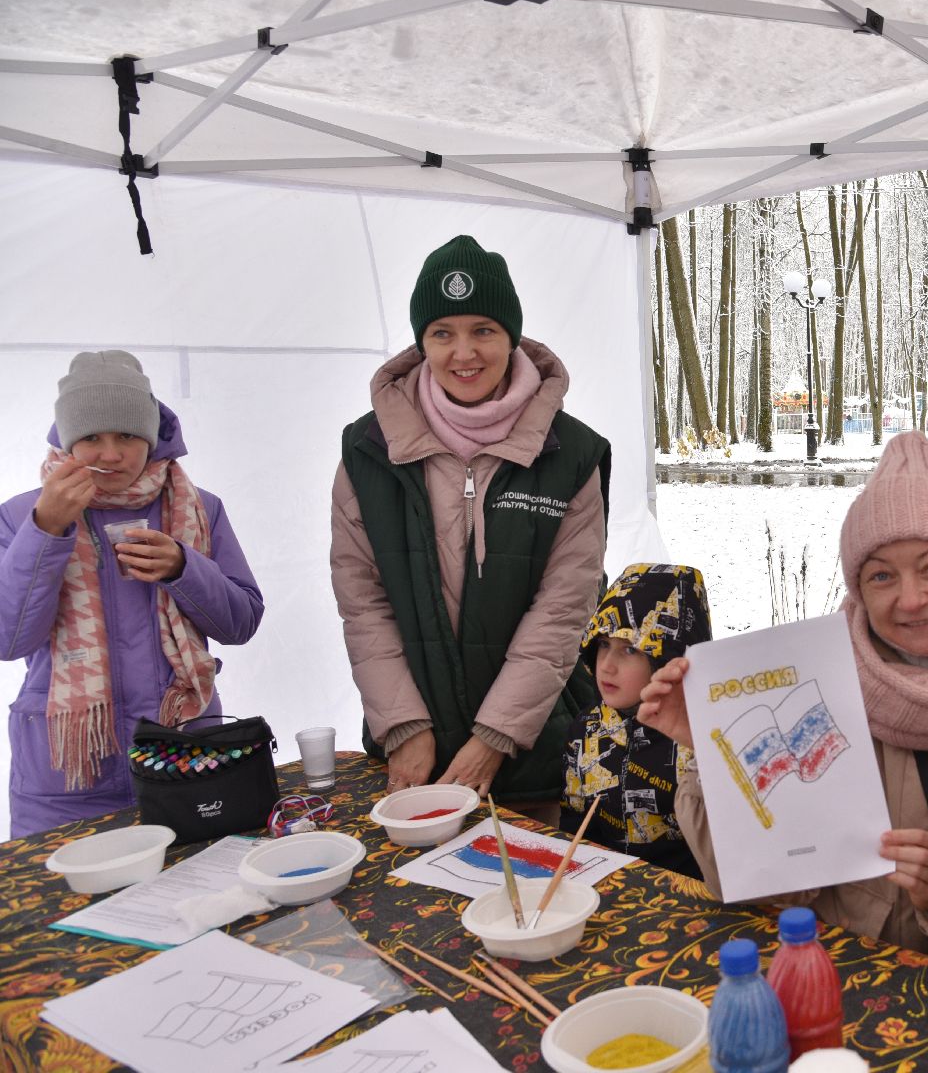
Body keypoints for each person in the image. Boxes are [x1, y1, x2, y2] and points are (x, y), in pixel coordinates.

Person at [639, 432, 928, 982]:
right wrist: (709, 746)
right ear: (858, 587)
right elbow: (758, 881)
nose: (910, 599)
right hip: (841, 977)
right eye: (881, 575)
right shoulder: (812, 683)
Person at [332, 235, 609, 808]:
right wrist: (403, 725)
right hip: (414, 757)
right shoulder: (368, 449)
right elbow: (363, 601)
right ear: (421, 342)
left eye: (483, 329)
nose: (464, 353)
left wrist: (497, 735)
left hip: (534, 756)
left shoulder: (572, 453)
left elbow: (564, 606)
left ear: (511, 337)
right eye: (442, 333)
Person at [0, 350, 265, 838]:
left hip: (182, 758)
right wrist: (47, 529)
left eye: (127, 435)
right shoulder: (22, 516)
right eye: (91, 438)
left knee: (198, 899)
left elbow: (242, 621)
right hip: (65, 778)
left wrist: (184, 568)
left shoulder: (200, 509)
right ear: (67, 439)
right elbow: (8, 638)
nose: (110, 454)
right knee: (64, 908)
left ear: (151, 435)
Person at [561, 563, 712, 878]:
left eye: (629, 650)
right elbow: (574, 826)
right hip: (605, 890)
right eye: (603, 645)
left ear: (669, 657)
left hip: (689, 899)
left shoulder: (699, 741)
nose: (607, 666)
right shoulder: (586, 730)